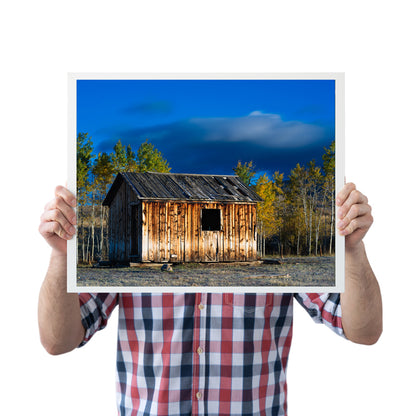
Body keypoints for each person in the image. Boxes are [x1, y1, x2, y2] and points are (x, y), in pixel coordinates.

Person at [38, 182, 382, 416]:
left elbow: (363, 330)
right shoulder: (120, 261)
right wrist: (60, 257)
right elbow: (58, 340)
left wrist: (352, 250)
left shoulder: (272, 272)